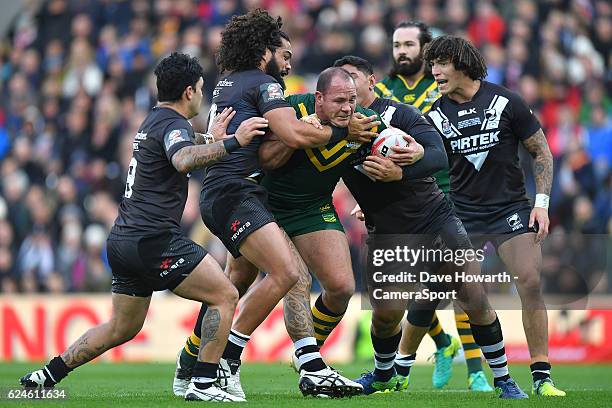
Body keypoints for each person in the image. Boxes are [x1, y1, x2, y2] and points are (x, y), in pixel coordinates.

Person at [19, 52, 269, 402]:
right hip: (154, 239)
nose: (202, 95)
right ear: (188, 92)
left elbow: (179, 147)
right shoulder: (174, 125)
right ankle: (203, 383)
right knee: (225, 295)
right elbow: (182, 158)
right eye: (200, 89)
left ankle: (48, 373)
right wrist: (234, 142)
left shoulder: (153, 121)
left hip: (123, 240)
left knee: (122, 327)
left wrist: (211, 139)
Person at [195, 9, 376, 399]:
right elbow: (289, 137)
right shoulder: (268, 87)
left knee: (274, 282)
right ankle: (221, 362)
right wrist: (337, 129)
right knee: (274, 276)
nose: (290, 63)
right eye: (285, 55)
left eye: (352, 100)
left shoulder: (230, 82)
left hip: (246, 194)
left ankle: (201, 367)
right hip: (246, 194)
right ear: (264, 52)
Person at [332, 55, 528, 398]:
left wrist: (401, 172)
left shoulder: (400, 115)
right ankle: (382, 375)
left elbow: (439, 155)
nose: (346, 86)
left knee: (473, 296)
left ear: (370, 82)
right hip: (387, 231)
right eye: (339, 82)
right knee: (386, 315)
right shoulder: (331, 131)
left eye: (351, 78)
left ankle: (504, 380)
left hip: (435, 218)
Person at [423, 35, 565, 397]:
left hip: (510, 211)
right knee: (469, 293)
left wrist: (542, 204)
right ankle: (486, 372)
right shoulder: (434, 114)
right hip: (462, 215)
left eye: (441, 63)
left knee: (530, 282)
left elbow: (542, 153)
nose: (435, 71)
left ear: (462, 64)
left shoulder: (506, 101)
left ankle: (542, 376)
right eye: (433, 64)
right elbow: (419, 165)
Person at [374, 21, 489, 391]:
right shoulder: (379, 91)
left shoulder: (444, 89)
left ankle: (474, 372)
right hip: (401, 197)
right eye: (396, 45)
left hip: (450, 193)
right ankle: (441, 344)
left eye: (409, 44)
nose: (401, 52)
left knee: (460, 284)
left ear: (427, 51)